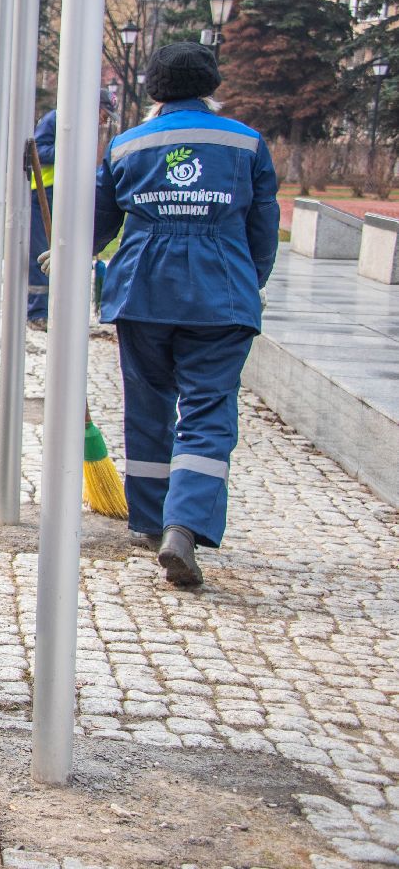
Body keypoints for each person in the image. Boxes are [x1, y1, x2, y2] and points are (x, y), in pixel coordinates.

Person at [88, 42, 279, 586]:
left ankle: (151, 519)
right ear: (211, 86)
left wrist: (73, 252)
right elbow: (263, 228)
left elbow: (98, 220)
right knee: (207, 411)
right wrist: (250, 282)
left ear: (154, 90)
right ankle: (184, 525)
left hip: (142, 293)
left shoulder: (127, 145)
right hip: (221, 295)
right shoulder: (246, 142)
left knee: (148, 403)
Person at [28, 89, 116, 330]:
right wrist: (70, 151)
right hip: (45, 193)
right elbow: (38, 150)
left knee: (67, 249)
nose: (104, 121)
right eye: (104, 114)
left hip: (70, 192)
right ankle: (37, 312)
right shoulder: (57, 119)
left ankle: (62, 310)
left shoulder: (84, 126)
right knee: (43, 252)